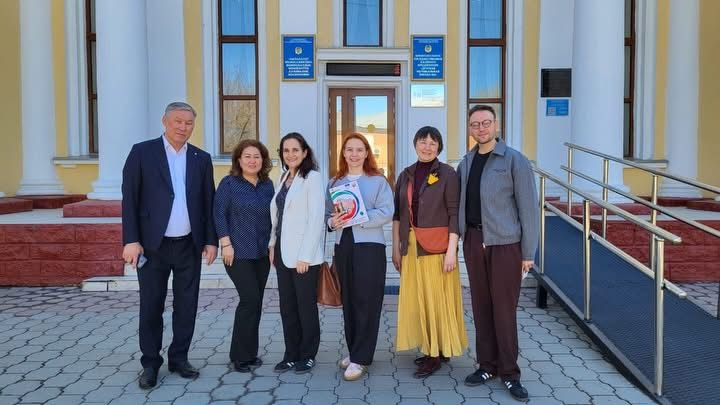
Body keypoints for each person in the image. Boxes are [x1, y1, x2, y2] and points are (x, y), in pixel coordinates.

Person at [121, 102, 218, 389]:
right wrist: (131, 240)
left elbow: (208, 201)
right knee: (151, 306)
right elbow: (130, 198)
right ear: (165, 121)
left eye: (188, 123)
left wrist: (210, 240)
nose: (183, 127)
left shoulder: (201, 158)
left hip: (189, 245)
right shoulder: (142, 152)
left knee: (187, 305)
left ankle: (179, 358)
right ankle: (150, 363)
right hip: (153, 246)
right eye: (177, 121)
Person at [458, 105, 539, 402]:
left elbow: (529, 208)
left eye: (486, 123)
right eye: (475, 124)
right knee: (481, 307)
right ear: (469, 128)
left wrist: (528, 252)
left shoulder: (515, 160)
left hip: (505, 244)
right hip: (474, 241)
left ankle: (510, 373)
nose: (481, 128)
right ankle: (487, 366)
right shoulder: (466, 163)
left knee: (504, 310)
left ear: (496, 124)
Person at [392, 126, 468, 378]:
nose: (427, 146)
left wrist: (452, 251)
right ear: (415, 144)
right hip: (411, 247)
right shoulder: (405, 174)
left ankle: (435, 354)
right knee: (420, 299)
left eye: (432, 143)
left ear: (439, 147)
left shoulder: (447, 174)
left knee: (436, 300)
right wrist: (395, 248)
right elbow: (397, 214)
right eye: (422, 142)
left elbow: (454, 213)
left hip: (437, 248)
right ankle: (433, 347)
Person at [325, 133, 394, 381]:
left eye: (359, 150)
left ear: (366, 153)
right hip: (343, 246)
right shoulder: (334, 182)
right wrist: (332, 222)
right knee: (349, 301)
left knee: (367, 301)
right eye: (349, 149)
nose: (354, 154)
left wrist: (358, 217)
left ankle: (361, 358)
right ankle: (355, 350)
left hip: (370, 247)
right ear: (343, 153)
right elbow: (327, 215)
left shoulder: (377, 181)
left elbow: (387, 211)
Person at [214, 139, 274, 373]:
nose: (252, 160)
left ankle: (249, 353)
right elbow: (219, 214)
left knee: (256, 302)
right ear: (238, 160)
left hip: (261, 253)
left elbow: (273, 217)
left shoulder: (268, 185)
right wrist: (225, 243)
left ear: (263, 160)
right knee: (249, 300)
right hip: (237, 252)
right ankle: (239, 356)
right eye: (247, 156)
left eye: (257, 156)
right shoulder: (229, 184)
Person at [269, 132, 325, 374]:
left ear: (304, 152)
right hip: (282, 252)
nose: (290, 154)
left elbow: (316, 219)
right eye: (286, 150)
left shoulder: (312, 178)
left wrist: (305, 256)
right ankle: (291, 354)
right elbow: (277, 216)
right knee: (287, 307)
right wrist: (272, 245)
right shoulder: (283, 177)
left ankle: (308, 354)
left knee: (305, 307)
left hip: (304, 256)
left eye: (295, 150)